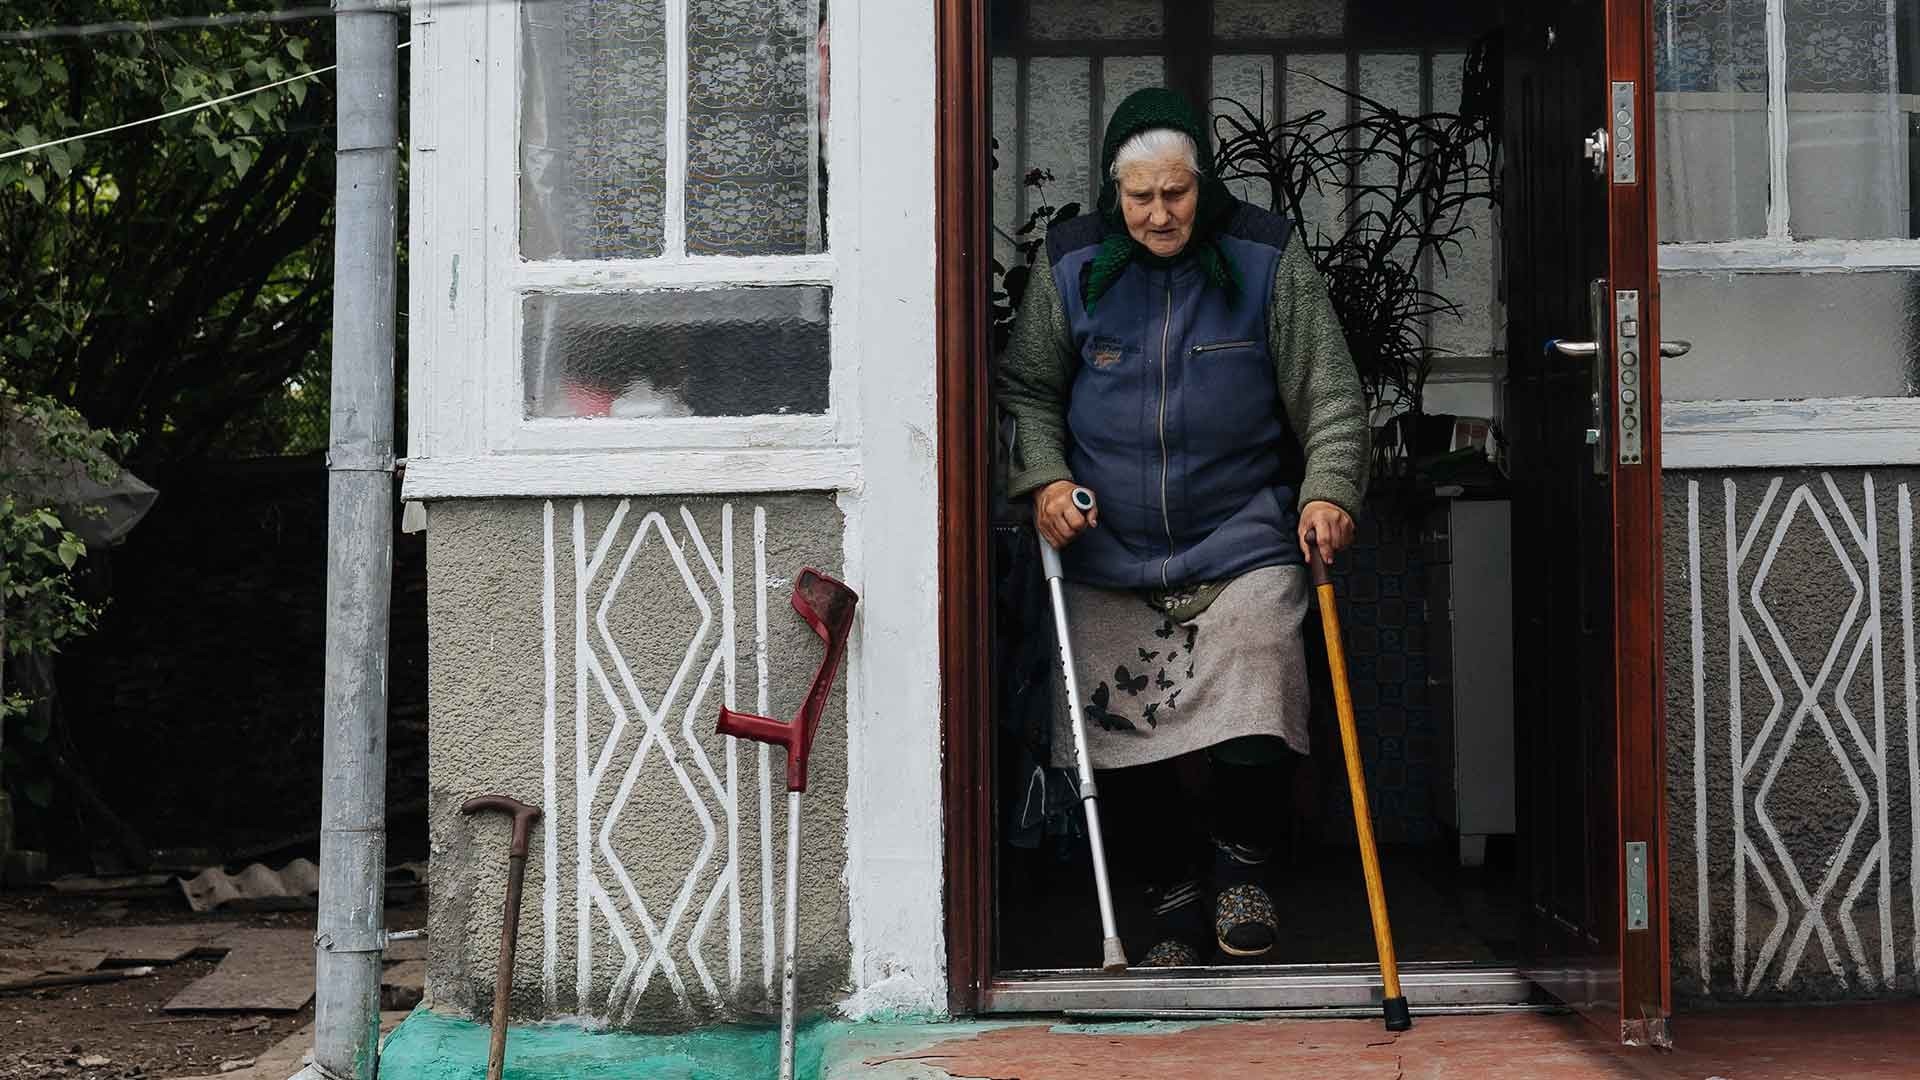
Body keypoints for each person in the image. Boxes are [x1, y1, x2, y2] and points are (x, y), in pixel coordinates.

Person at [999, 88, 1370, 966]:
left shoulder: (1266, 259)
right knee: (1112, 721)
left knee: (1260, 680)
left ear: (1203, 185)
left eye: (1176, 193)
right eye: (1140, 197)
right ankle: (1169, 889)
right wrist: (1046, 478)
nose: (1159, 214)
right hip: (1107, 546)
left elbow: (1332, 395)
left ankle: (1241, 871)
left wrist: (1329, 492)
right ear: (1113, 192)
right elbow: (1028, 391)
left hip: (1238, 535)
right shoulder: (1070, 264)